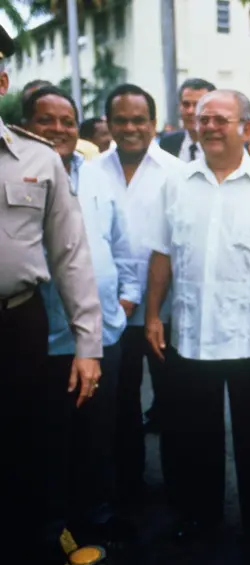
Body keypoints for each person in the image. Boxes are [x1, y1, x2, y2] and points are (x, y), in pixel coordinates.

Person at [145, 89, 250, 547]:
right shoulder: (176, 184)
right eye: (203, 119)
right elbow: (162, 254)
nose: (210, 126)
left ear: (246, 128)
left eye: (221, 119)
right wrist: (154, 314)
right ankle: (201, 516)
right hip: (192, 335)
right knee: (195, 437)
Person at [0, 25, 103, 563]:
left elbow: (71, 256)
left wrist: (88, 345)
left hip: (17, 323)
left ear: (2, 80)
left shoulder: (37, 160)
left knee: (23, 446)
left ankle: (27, 544)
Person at [24, 86, 140, 552]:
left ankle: (98, 512)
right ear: (26, 127)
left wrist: (125, 302)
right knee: (50, 436)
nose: (58, 130)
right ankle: (53, 525)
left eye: (67, 121)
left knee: (98, 432)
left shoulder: (97, 177)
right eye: (45, 120)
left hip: (102, 334)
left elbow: (123, 246)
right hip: (44, 339)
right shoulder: (17, 173)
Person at [93, 83, 184, 503]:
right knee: (119, 402)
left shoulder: (177, 173)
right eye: (121, 120)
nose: (130, 128)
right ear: (108, 124)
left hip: (165, 311)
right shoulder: (91, 171)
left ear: (153, 123)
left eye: (138, 120)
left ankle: (179, 493)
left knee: (172, 400)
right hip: (110, 312)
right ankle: (128, 488)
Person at [159, 78, 217, 161]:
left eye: (198, 105)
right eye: (186, 104)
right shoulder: (168, 142)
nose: (190, 111)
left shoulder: (225, 146)